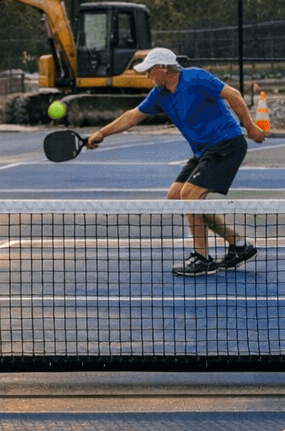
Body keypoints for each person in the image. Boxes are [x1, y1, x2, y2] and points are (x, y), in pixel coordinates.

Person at [85, 48, 268, 276]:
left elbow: (233, 94)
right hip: (203, 150)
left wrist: (249, 126)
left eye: (150, 71)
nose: (147, 76)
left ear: (163, 68)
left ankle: (202, 259)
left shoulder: (195, 77)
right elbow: (133, 115)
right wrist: (102, 133)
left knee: (190, 195)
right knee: (176, 197)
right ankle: (239, 245)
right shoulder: (160, 93)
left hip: (226, 143)